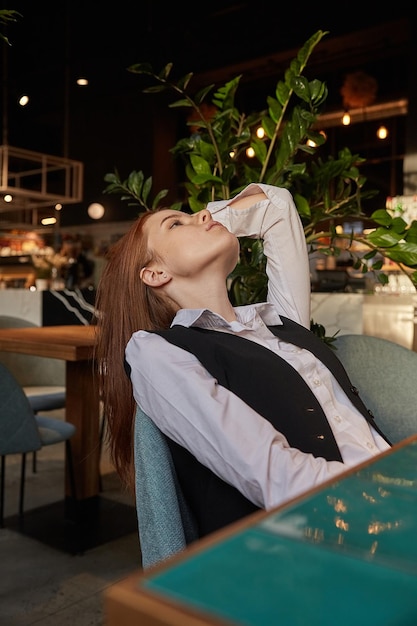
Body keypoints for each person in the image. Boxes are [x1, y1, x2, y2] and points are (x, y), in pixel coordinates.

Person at [95, 183, 391, 538]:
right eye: (175, 224)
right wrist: (389, 500)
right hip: (331, 531)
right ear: (155, 274)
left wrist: (208, 220)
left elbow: (276, 207)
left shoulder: (281, 323)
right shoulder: (156, 351)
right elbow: (273, 473)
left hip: (388, 486)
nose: (200, 215)